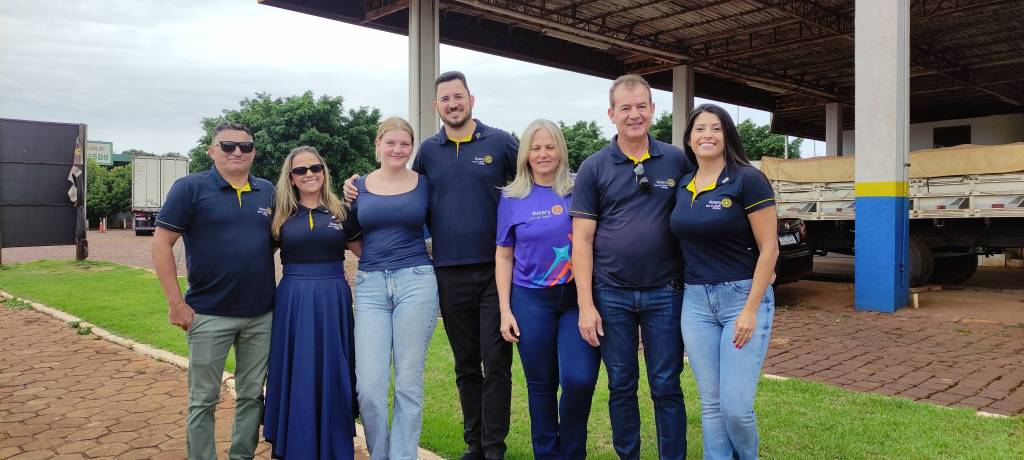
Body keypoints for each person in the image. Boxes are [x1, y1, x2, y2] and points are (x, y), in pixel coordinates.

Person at [345, 71, 518, 460]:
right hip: (447, 272)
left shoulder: (500, 142)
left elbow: (531, 177)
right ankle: (474, 445)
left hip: (497, 270)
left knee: (497, 363)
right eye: (445, 99)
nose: (453, 104)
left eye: (459, 96)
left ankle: (494, 449)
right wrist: (355, 185)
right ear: (436, 105)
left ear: (471, 99)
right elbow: (399, 187)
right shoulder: (428, 151)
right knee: (466, 365)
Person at [569, 74, 694, 460]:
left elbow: (704, 212)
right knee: (621, 385)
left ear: (653, 110)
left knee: (666, 385)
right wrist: (586, 304)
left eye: (642, 106)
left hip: (665, 292)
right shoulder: (593, 167)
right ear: (611, 114)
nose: (634, 114)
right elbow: (582, 240)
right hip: (611, 294)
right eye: (625, 108)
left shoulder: (677, 160)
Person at [152, 121, 275, 460]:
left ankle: (241, 455)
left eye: (245, 147)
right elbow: (161, 244)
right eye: (227, 146)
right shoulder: (191, 188)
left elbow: (277, 238)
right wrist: (175, 303)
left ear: (253, 152)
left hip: (261, 315)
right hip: (208, 314)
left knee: (252, 395)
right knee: (203, 399)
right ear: (211, 150)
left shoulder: (267, 191)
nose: (237, 152)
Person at [669, 104, 778, 460]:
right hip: (696, 302)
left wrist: (751, 309)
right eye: (699, 129)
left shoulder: (748, 179)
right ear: (689, 139)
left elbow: (770, 247)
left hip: (741, 299)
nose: (707, 135)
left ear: (727, 135)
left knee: (735, 408)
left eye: (716, 128)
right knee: (712, 405)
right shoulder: (683, 185)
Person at [495, 119, 600, 460]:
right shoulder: (511, 197)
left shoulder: (579, 188)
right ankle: (547, 454)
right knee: (541, 386)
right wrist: (505, 310)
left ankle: (572, 453)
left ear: (561, 151)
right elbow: (504, 255)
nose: (543, 154)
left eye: (550, 147)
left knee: (579, 379)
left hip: (576, 299)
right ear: (525, 154)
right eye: (536, 148)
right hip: (530, 300)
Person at [263, 146, 363, 459]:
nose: (309, 174)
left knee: (332, 368)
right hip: (293, 299)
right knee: (297, 369)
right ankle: (295, 443)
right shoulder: (280, 215)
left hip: (333, 298)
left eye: (315, 168)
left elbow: (366, 252)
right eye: (301, 170)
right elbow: (256, 257)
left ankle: (332, 445)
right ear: (291, 177)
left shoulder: (342, 212)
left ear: (324, 171)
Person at [350, 117, 438, 460]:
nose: (398, 149)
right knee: (369, 387)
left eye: (405, 144)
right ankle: (380, 454)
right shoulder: (358, 186)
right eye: (391, 143)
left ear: (412, 147)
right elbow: (351, 235)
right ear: (378, 145)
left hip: (416, 281)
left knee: (407, 383)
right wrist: (376, 259)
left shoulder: (425, 184)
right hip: (370, 286)